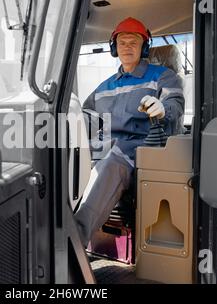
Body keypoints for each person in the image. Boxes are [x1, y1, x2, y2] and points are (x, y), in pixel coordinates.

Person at [74, 17, 185, 247]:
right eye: (122, 42)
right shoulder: (104, 87)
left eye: (133, 42)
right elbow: (83, 117)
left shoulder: (162, 76)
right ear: (114, 48)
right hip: (102, 150)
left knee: (111, 161)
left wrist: (164, 109)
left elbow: (175, 103)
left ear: (144, 47)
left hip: (137, 152)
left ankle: (73, 241)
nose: (127, 46)